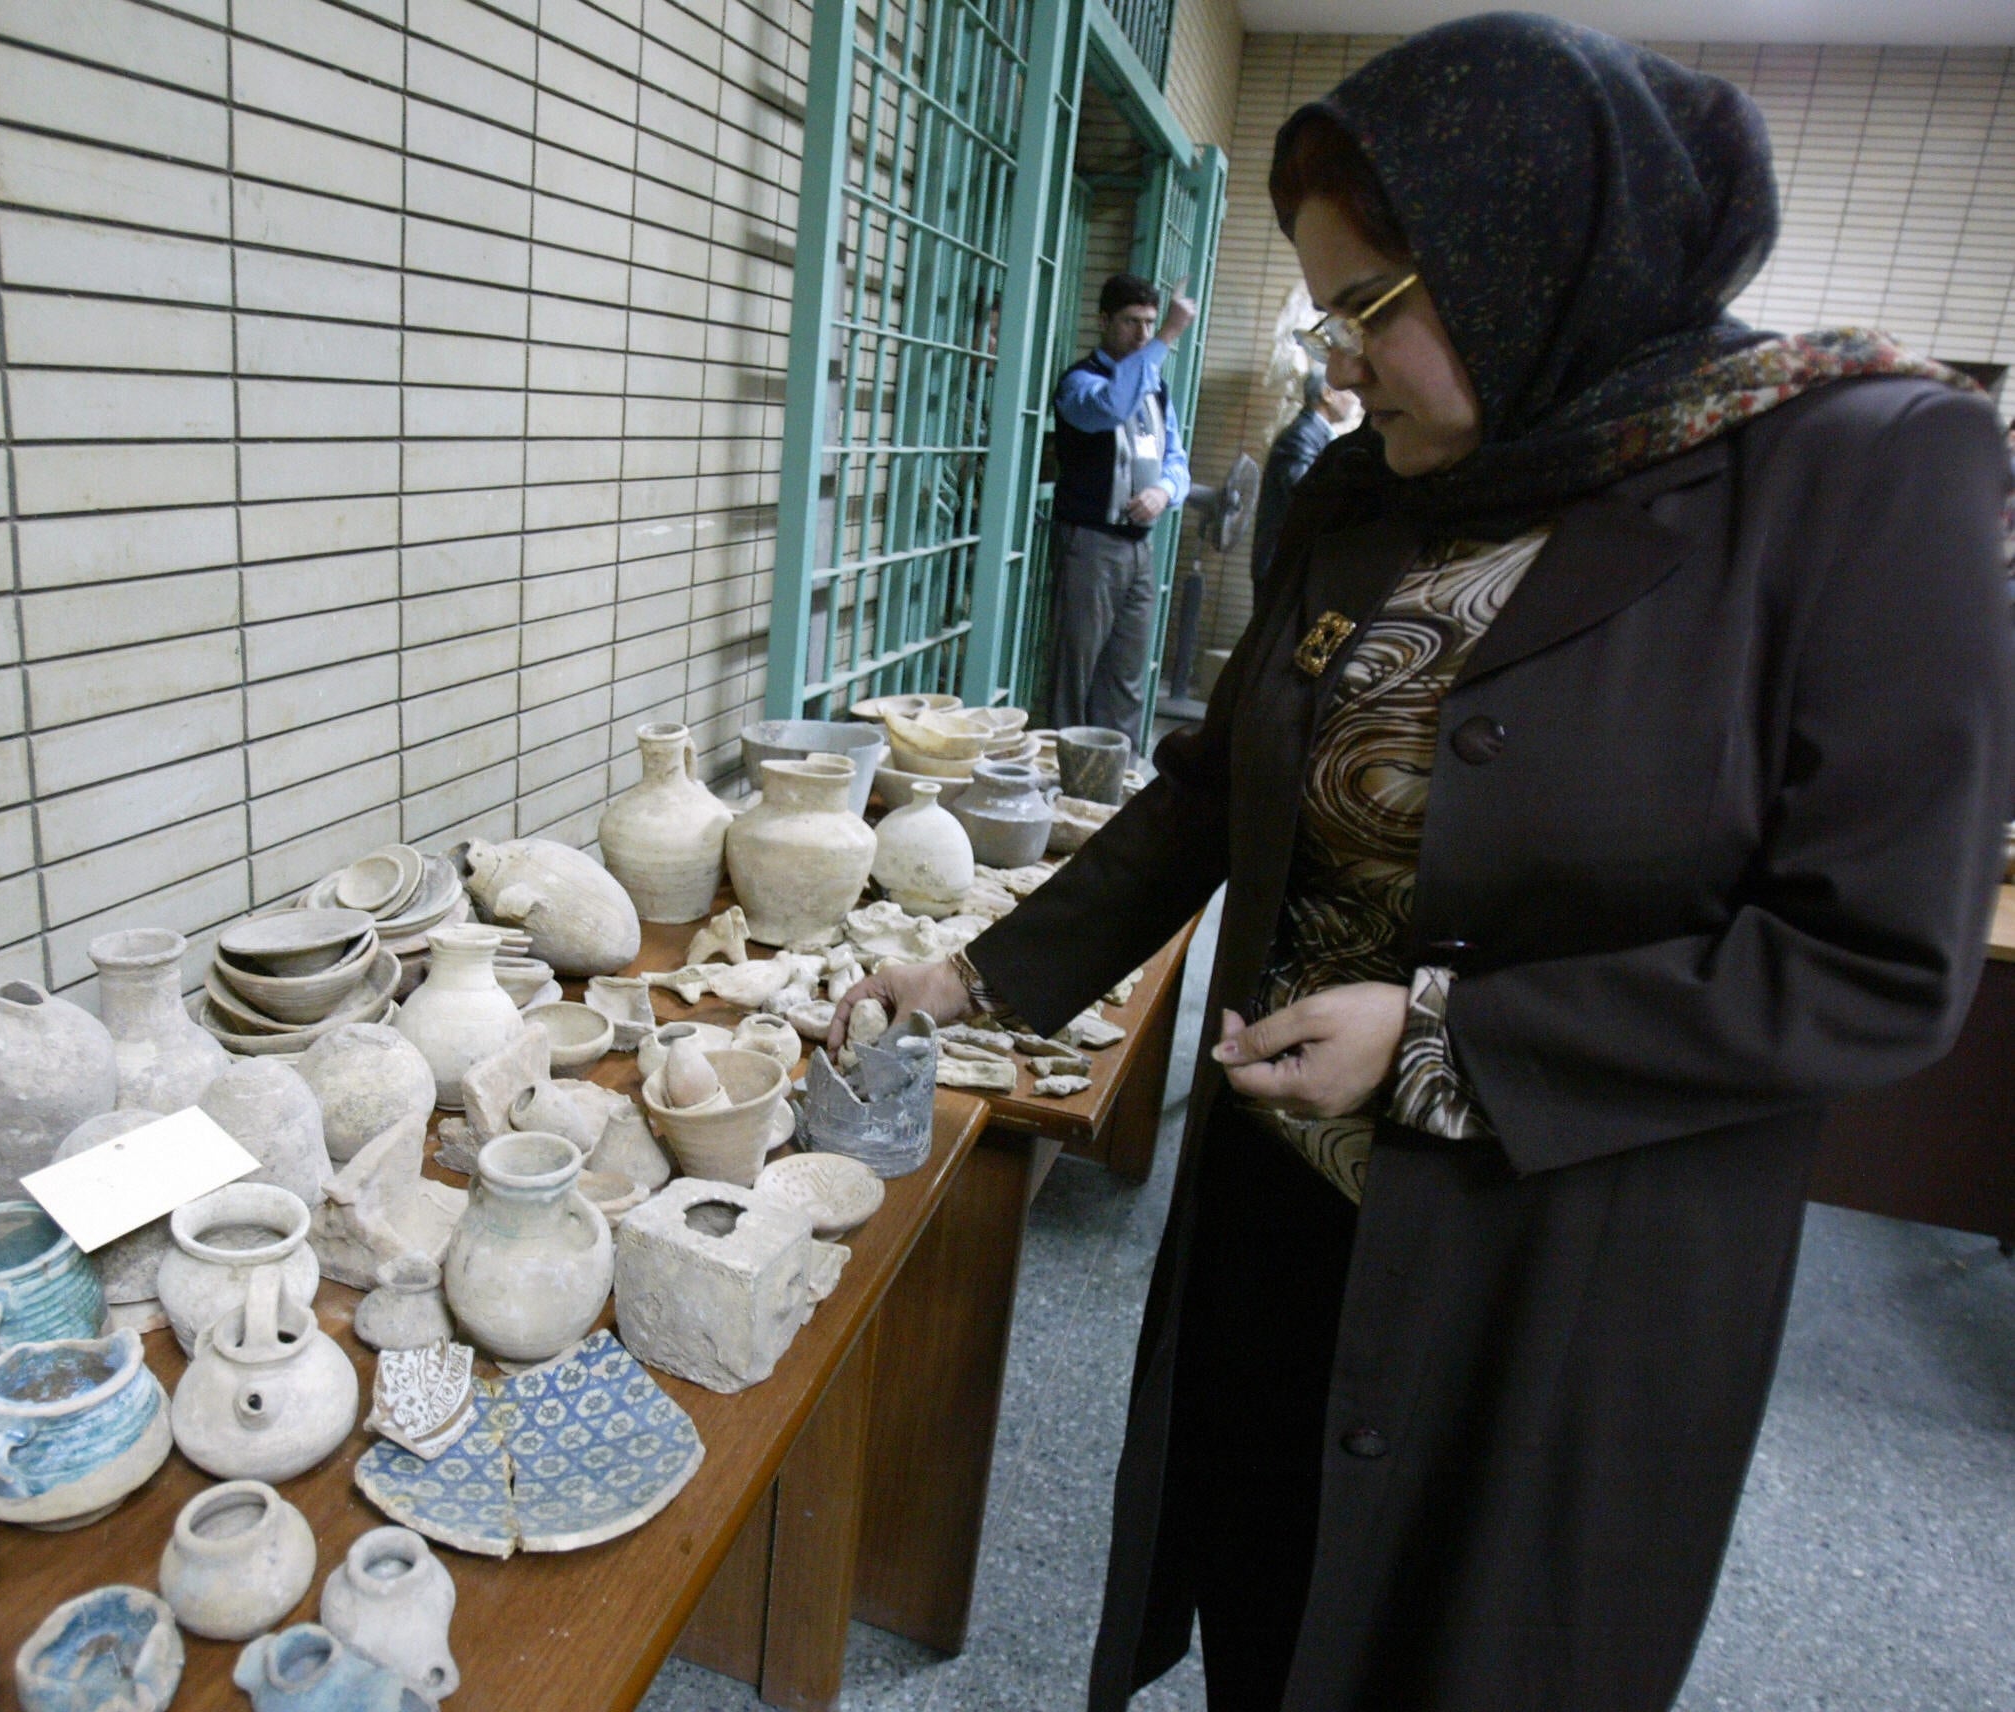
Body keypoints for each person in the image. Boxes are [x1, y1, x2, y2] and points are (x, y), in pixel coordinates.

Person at [832, 15, 2014, 1712]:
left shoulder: (1848, 469)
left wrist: (1448, 1037)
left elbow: (1875, 962)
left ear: (1538, 257)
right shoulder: (1369, 492)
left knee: (1463, 1656)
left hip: (1554, 1257)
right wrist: (973, 975)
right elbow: (1207, 792)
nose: (1341, 357)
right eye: (1328, 310)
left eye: (1374, 306)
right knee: (1270, 1590)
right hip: (1284, 1196)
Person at [1047, 273, 1197, 737]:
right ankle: (1061, 773)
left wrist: (1164, 492)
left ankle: (1114, 780)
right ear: (1104, 321)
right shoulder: (1079, 383)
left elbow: (1177, 459)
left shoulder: (1156, 389)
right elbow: (1112, 406)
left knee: (1127, 677)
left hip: (1138, 549)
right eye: (1132, 322)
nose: (1144, 334)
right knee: (1074, 672)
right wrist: (1170, 337)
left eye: (1152, 323)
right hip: (1091, 542)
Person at [1249, 367, 1359, 594]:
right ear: (1328, 394)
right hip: (1282, 566)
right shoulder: (1301, 436)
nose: (1355, 400)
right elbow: (1305, 495)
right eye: (1349, 392)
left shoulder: (1313, 434)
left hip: (1290, 564)